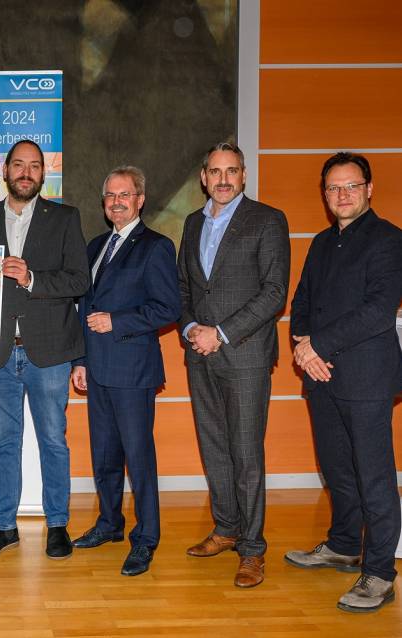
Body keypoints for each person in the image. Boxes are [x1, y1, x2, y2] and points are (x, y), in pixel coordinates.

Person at [285, 152, 402, 613]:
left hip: (367, 377)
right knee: (336, 470)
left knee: (374, 477)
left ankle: (378, 572)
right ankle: (343, 544)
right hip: (322, 377)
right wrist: (303, 345)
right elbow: (303, 300)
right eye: (334, 188)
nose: (342, 195)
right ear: (325, 193)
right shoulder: (319, 242)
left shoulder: (389, 239)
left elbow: (377, 310)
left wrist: (317, 347)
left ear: (369, 189)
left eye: (352, 186)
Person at [0, 140, 89, 560]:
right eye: (18, 164)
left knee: (53, 440)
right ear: (4, 170)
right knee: (4, 443)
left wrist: (33, 278)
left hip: (50, 352)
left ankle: (57, 524)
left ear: (42, 174)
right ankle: (3, 527)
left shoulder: (65, 218)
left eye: (34, 166)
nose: (26, 172)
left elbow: (79, 281)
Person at [177, 142, 289, 587]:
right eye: (215, 172)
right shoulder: (191, 222)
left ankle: (253, 548)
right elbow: (184, 288)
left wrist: (218, 332)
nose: (223, 179)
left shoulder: (267, 219)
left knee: (246, 453)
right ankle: (226, 528)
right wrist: (190, 330)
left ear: (243, 176)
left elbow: (274, 292)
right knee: (214, 447)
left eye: (232, 171)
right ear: (204, 177)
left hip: (244, 353)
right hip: (198, 352)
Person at [70, 166, 180, 576]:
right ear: (104, 203)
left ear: (140, 200)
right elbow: (84, 307)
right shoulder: (97, 245)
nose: (117, 202)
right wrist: (79, 362)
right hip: (96, 370)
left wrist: (118, 320)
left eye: (125, 195)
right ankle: (109, 524)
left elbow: (168, 308)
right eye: (111, 196)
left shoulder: (156, 247)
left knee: (139, 457)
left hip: (133, 371)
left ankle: (146, 538)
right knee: (104, 457)